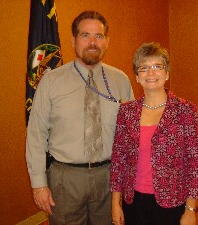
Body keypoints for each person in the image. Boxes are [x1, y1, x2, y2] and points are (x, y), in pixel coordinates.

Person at [26, 11, 134, 225]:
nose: (93, 42)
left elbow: (130, 133)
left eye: (99, 36)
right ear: (73, 40)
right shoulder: (51, 81)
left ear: (107, 42)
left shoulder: (120, 80)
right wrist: (39, 184)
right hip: (66, 179)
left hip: (108, 178)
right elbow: (36, 134)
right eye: (85, 35)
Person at [110, 42, 198, 225]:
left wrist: (190, 209)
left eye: (157, 67)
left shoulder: (185, 110)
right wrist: (116, 203)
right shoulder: (126, 112)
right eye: (144, 68)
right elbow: (118, 160)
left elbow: (196, 164)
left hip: (172, 202)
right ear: (137, 76)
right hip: (134, 201)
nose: (151, 73)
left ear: (167, 73)